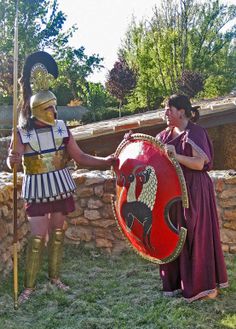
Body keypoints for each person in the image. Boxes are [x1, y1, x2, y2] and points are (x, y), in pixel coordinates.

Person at [7, 51, 116, 304]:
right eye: (49, 107)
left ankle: (55, 278)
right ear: (38, 109)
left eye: (55, 106)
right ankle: (29, 287)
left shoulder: (62, 128)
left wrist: (105, 161)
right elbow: (12, 159)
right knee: (37, 238)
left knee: (57, 234)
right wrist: (10, 160)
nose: (54, 111)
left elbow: (79, 157)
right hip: (36, 188)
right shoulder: (22, 132)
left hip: (59, 186)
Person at [156, 94, 228, 302]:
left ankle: (204, 286)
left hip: (195, 190)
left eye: (169, 109)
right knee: (176, 235)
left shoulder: (196, 132)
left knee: (198, 235)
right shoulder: (164, 136)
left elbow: (199, 163)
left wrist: (174, 155)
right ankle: (178, 283)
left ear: (181, 111)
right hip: (173, 192)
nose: (165, 113)